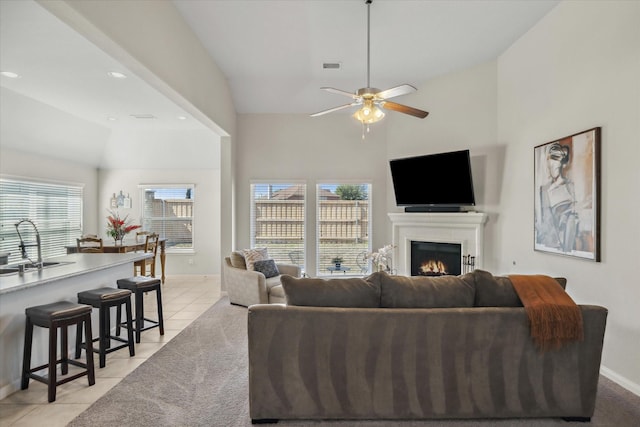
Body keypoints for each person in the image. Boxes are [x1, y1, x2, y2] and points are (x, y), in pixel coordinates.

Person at [536, 142, 579, 252]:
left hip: (562, 245)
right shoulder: (544, 189)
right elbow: (542, 219)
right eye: (550, 165)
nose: (551, 167)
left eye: (555, 164)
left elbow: (573, 216)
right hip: (546, 243)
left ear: (561, 164)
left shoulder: (570, 186)